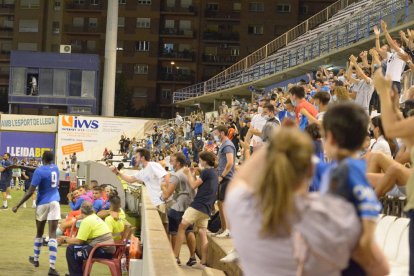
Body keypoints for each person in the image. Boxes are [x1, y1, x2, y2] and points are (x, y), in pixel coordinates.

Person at [226, 127, 377, 276]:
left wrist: (277, 142)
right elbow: (378, 268)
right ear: (311, 169)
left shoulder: (242, 207)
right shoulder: (334, 216)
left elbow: (240, 180)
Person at [315, 102, 389, 275]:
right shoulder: (335, 168)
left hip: (352, 262)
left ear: (331, 137)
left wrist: (365, 245)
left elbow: (369, 205)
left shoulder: (348, 168)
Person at [12, 151, 61, 276]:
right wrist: (21, 166)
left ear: (42, 159)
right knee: (52, 235)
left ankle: (36, 259)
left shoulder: (39, 171)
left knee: (39, 233)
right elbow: (37, 169)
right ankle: (52, 267)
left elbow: (30, 192)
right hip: (55, 202)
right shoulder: (55, 168)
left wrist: (17, 205)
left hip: (42, 204)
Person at [111, 148, 172, 233]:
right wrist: (117, 172)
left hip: (162, 202)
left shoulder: (152, 165)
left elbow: (167, 176)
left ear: (142, 158)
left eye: (136, 157)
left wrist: (165, 194)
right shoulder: (142, 171)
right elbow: (131, 179)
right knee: (161, 227)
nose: (135, 159)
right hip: (156, 202)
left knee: (164, 227)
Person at [176, 151, 218, 269]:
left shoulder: (206, 171)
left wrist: (188, 173)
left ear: (204, 161)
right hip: (207, 208)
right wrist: (193, 175)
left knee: (182, 226)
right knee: (202, 233)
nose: (199, 162)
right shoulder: (214, 173)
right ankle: (203, 262)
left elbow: (193, 186)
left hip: (198, 205)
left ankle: (175, 256)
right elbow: (199, 184)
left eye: (200, 160)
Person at [57, 201, 116, 276]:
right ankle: (77, 273)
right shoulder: (95, 217)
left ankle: (75, 274)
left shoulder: (86, 221)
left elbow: (79, 241)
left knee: (71, 249)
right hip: (108, 249)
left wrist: (65, 239)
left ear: (81, 210)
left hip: (103, 251)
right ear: (92, 210)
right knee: (77, 248)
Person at [160, 152, 197, 266]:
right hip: (190, 205)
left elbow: (167, 194)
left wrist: (162, 187)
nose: (171, 162)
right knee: (189, 231)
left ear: (178, 163)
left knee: (174, 232)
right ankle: (192, 257)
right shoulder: (190, 172)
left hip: (178, 206)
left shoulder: (176, 175)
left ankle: (176, 257)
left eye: (172, 160)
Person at [213, 125, 236, 238]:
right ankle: (223, 228)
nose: (215, 136)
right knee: (220, 203)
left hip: (226, 177)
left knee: (223, 204)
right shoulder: (223, 145)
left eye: (216, 133)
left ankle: (227, 230)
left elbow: (230, 163)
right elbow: (222, 161)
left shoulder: (227, 145)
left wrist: (222, 176)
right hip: (223, 176)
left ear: (222, 133)